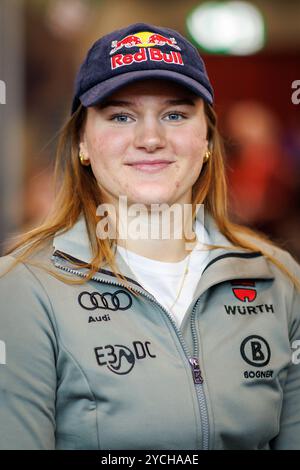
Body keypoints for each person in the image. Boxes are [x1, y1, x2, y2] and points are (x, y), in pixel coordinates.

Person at [0, 22, 299, 451]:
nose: (151, 138)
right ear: (83, 142)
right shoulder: (21, 288)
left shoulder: (279, 279)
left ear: (208, 140)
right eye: (121, 116)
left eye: (175, 115)